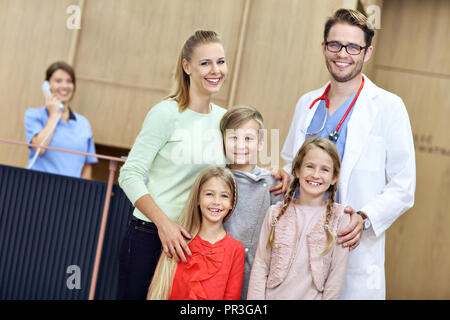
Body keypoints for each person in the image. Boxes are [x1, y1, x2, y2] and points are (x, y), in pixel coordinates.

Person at [281, 9, 415, 299]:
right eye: (335, 45)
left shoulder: (389, 107)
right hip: (299, 246)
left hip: (351, 247)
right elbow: (290, 166)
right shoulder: (307, 103)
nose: (343, 54)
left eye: (353, 47)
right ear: (324, 47)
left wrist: (365, 217)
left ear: (367, 53)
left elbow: (404, 186)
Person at [248, 138, 349, 299]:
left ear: (334, 178)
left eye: (324, 170)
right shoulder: (275, 213)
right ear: (297, 170)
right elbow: (261, 266)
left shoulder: (340, 219)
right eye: (309, 166)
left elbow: (335, 278)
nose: (316, 175)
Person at [148, 166, 244, 300]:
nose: (216, 202)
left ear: (231, 204)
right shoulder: (178, 239)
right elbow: (159, 290)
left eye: (224, 196)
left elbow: (231, 299)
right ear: (198, 199)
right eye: (209, 194)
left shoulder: (236, 250)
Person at [220, 105, 284, 299]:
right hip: (217, 270)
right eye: (233, 137)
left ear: (261, 143)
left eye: (248, 138)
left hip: (254, 276)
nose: (240, 145)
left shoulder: (273, 183)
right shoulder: (214, 179)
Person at [24, 61, 98, 179]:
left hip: (70, 191)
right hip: (38, 186)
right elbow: (39, 148)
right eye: (58, 81)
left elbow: (87, 166)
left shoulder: (84, 123)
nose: (64, 86)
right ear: (47, 86)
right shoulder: (34, 115)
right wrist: (54, 115)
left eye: (69, 81)